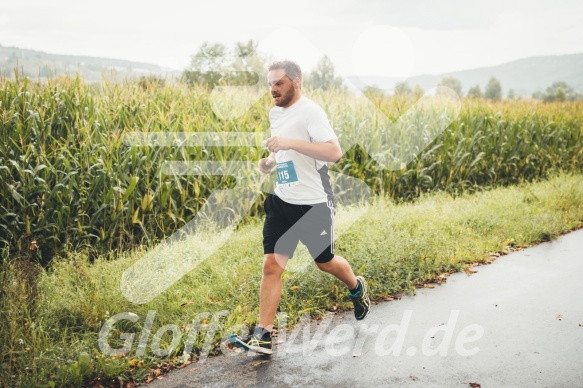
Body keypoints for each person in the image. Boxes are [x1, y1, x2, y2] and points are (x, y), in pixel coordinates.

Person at [230, 60, 370, 356]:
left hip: (314, 203)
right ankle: (263, 336)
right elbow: (283, 149)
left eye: (278, 83)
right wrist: (270, 161)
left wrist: (289, 143)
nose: (272, 89)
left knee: (324, 262)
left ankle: (357, 287)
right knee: (271, 267)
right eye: (269, 84)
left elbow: (334, 152)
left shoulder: (311, 112)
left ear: (295, 81)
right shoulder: (275, 112)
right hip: (282, 201)